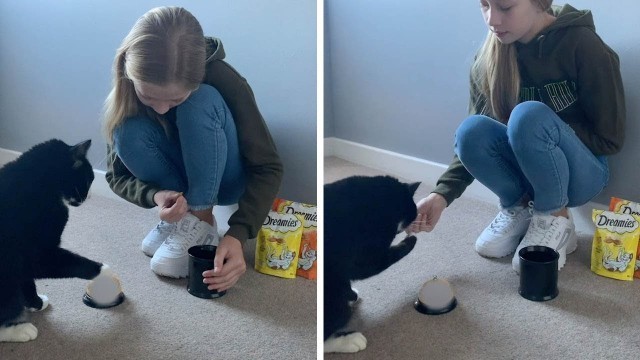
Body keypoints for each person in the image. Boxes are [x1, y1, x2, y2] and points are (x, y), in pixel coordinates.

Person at [410, 0, 625, 272]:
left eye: (505, 7)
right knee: (470, 130)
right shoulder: (487, 58)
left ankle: (553, 218)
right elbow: (475, 142)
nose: (492, 20)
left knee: (528, 116)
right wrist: (441, 195)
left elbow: (610, 138)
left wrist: (547, 131)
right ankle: (520, 209)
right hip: (528, 175)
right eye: (484, 5)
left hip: (583, 175)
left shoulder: (583, 45)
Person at [102, 6, 283, 291]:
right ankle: (186, 220)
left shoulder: (225, 79)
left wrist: (237, 234)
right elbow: (115, 175)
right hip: (178, 180)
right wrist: (155, 194)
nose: (161, 108)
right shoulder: (127, 88)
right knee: (125, 127)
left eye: (174, 99)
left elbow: (268, 166)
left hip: (225, 179)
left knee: (201, 102)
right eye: (148, 96)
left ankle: (200, 219)